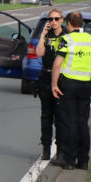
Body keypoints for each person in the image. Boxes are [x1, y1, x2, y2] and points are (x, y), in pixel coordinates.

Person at [50, 11, 91, 170]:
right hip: (85, 85)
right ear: (82, 23)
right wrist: (84, 73)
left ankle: (70, 161)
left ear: (68, 23)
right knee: (82, 123)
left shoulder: (66, 39)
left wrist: (54, 85)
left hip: (68, 85)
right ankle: (84, 161)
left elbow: (57, 64)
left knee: (69, 122)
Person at [34, 9, 66, 161]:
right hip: (46, 78)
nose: (53, 21)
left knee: (60, 117)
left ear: (62, 20)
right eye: (50, 19)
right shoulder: (47, 36)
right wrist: (42, 36)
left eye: (56, 18)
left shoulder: (67, 36)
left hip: (62, 79)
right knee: (46, 116)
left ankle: (60, 151)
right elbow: (39, 53)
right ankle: (46, 149)